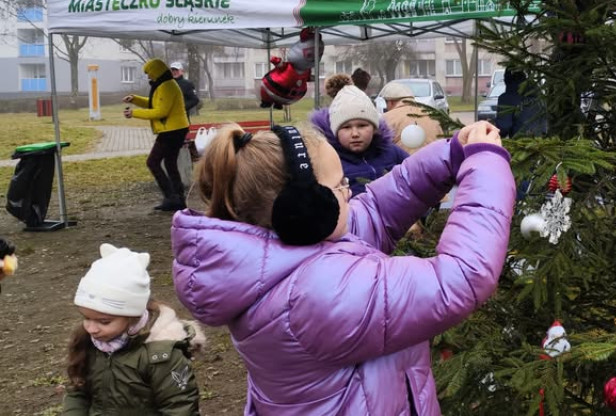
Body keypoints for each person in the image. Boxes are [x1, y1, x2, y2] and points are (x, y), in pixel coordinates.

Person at [171, 120, 514, 414]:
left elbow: (375, 210)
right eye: (339, 186)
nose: (349, 194)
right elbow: (461, 277)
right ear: (302, 207)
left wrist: (450, 155)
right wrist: (486, 164)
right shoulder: (314, 293)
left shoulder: (286, 251)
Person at [63, 243, 204, 414]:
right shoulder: (88, 343)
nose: (91, 329)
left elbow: (179, 406)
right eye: (86, 318)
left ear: (132, 317)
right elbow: (78, 391)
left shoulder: (160, 355)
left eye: (104, 322)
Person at [309, 76, 409, 196]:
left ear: (374, 128)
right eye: (346, 127)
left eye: (362, 126)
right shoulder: (326, 160)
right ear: (335, 131)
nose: (355, 134)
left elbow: (415, 177)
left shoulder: (391, 152)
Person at [123, 58, 190, 211]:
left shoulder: (167, 86)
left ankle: (171, 197)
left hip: (171, 131)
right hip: (176, 129)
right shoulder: (163, 84)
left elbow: (160, 111)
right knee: (170, 163)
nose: (148, 76)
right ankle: (178, 197)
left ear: (156, 71)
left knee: (152, 162)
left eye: (149, 73)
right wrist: (135, 99)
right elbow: (155, 103)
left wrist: (134, 113)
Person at [379, 80, 445, 154]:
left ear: (391, 102)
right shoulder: (432, 116)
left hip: (403, 160)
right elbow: (442, 144)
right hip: (432, 159)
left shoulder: (386, 118)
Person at [495, 68, 548, 138]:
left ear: (506, 80)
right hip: (543, 140)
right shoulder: (539, 95)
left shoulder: (506, 98)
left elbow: (504, 127)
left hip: (520, 141)